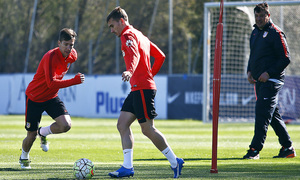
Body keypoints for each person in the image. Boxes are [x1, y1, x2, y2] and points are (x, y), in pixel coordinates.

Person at [106, 7, 184, 178]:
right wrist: (149, 75)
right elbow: (161, 56)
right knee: (122, 124)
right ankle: (127, 167)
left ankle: (174, 161)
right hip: (138, 88)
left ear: (121, 21)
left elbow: (133, 56)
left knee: (148, 129)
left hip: (142, 88)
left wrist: (131, 71)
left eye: (112, 26)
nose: (112, 30)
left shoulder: (127, 35)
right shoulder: (139, 34)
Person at [19, 28, 85, 169]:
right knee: (31, 136)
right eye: (66, 44)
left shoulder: (73, 56)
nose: (69, 48)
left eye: (71, 45)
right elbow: (51, 83)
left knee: (66, 125)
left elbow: (53, 85)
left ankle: (43, 132)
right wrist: (74, 81)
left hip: (51, 97)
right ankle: (24, 156)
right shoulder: (50, 57)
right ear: (59, 43)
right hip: (35, 97)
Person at [243, 2, 296, 159]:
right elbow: (253, 56)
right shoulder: (254, 33)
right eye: (257, 16)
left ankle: (254, 150)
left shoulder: (276, 33)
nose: (259, 19)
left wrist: (269, 73)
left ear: (268, 16)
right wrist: (249, 71)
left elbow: (286, 58)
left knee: (261, 112)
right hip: (259, 81)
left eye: (262, 16)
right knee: (273, 116)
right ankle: (288, 148)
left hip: (272, 80)